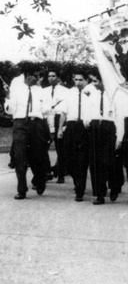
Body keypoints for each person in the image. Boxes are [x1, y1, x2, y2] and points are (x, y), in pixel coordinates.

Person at [5, 64, 52, 199]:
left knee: (38, 156)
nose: (38, 79)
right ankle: (22, 189)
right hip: (20, 124)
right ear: (27, 76)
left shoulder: (40, 90)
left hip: (37, 124)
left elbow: (46, 109)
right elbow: (10, 110)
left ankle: (39, 180)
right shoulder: (16, 89)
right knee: (20, 156)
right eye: (36, 76)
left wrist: (45, 107)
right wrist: (8, 98)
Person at [58, 71, 100, 202]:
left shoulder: (93, 92)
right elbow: (63, 112)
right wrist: (60, 128)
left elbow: (96, 109)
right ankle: (77, 182)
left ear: (86, 80)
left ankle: (79, 190)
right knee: (69, 159)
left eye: (81, 80)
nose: (78, 82)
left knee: (82, 160)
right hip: (71, 126)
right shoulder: (70, 92)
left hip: (85, 126)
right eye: (75, 79)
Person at [87, 73, 121, 205]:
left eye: (96, 81)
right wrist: (87, 120)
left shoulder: (114, 95)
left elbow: (119, 117)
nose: (93, 84)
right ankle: (99, 194)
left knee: (109, 161)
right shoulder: (92, 94)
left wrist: (119, 136)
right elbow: (88, 110)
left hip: (109, 127)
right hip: (95, 127)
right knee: (95, 163)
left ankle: (114, 186)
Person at [43, 69, 68, 184]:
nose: (51, 78)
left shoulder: (64, 91)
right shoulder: (44, 91)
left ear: (58, 77)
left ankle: (61, 174)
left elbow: (64, 109)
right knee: (43, 149)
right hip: (47, 119)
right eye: (49, 76)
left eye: (53, 76)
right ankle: (47, 173)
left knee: (61, 150)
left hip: (58, 118)